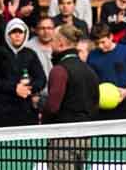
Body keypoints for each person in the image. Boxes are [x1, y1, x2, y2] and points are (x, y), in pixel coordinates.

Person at [41, 24, 99, 168]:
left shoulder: (59, 70)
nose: (51, 44)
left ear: (60, 44)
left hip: (63, 138)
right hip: (85, 139)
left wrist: (42, 115)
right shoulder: (90, 71)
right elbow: (95, 105)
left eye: (53, 40)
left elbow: (52, 107)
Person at [0, 18, 48, 126]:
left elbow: (41, 79)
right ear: (7, 34)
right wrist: (14, 88)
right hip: (1, 109)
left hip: (25, 107)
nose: (17, 35)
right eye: (13, 32)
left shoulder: (30, 54)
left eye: (20, 32)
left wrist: (28, 88)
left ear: (25, 34)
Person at [87, 24, 126, 120]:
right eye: (97, 43)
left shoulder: (125, 51)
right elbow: (90, 81)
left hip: (124, 103)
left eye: (103, 42)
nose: (100, 46)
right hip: (102, 105)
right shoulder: (92, 56)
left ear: (111, 37)